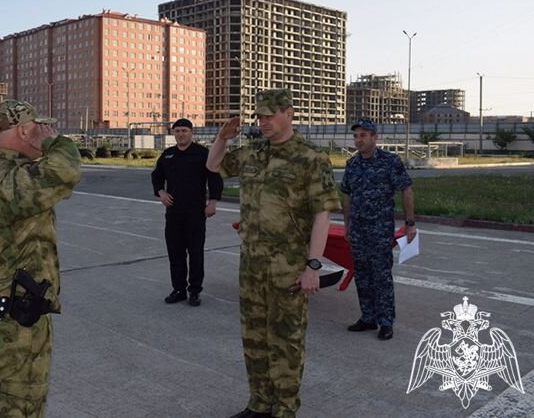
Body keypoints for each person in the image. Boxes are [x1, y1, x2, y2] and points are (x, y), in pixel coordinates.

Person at [207, 89, 341, 418]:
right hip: (251, 264)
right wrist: (222, 137)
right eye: (259, 116)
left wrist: (313, 266)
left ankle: (284, 409)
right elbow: (213, 165)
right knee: (254, 337)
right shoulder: (254, 152)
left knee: (286, 341)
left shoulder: (309, 157)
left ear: (288, 113)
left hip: (288, 267)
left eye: (269, 115)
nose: (263, 122)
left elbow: (323, 213)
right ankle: (259, 403)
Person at [0, 99, 81, 417]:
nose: (46, 132)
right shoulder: (13, 180)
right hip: (17, 324)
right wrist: (52, 141)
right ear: (25, 131)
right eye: (39, 127)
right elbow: (66, 171)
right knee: (21, 406)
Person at [340, 118, 416, 341]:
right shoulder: (352, 164)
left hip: (380, 230)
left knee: (381, 276)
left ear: (375, 137)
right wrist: (347, 224)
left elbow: (406, 189)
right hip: (358, 229)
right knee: (361, 275)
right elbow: (346, 193)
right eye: (356, 136)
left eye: (363, 135)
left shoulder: (390, 162)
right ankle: (368, 317)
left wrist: (410, 222)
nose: (358, 140)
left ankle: (385, 321)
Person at [151, 118, 223, 306]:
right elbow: (156, 176)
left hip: (196, 213)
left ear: (192, 133)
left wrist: (213, 202)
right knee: (175, 253)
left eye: (184, 130)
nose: (180, 134)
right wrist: (161, 193)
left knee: (195, 253)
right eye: (177, 131)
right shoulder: (168, 155)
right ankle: (179, 289)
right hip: (174, 213)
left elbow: (215, 177)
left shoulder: (202, 154)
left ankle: (194, 291)